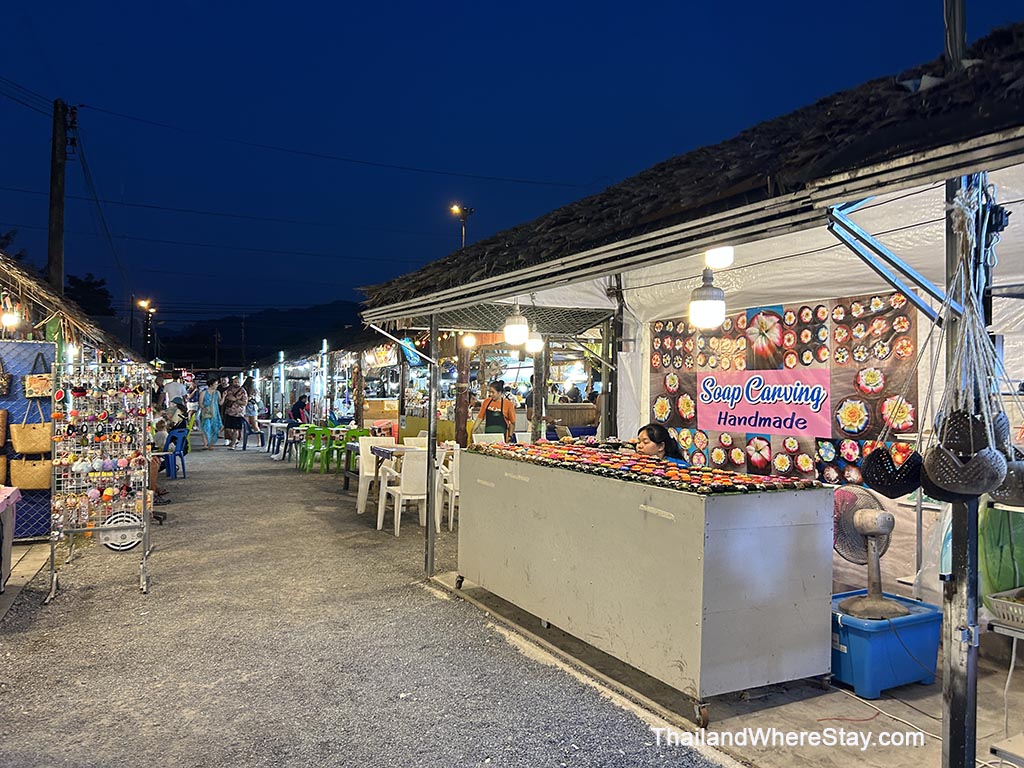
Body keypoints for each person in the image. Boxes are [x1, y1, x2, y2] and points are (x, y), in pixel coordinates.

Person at [222, 376, 248, 449]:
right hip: (229, 411)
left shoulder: (243, 391)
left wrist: (235, 400)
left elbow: (245, 403)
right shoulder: (229, 390)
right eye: (235, 382)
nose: (236, 383)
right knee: (227, 428)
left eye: (238, 382)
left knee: (236, 429)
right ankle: (234, 440)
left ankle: (233, 444)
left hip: (238, 413)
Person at [199, 376, 222, 450]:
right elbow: (200, 403)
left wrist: (224, 397)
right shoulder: (203, 393)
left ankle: (211, 444)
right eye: (216, 384)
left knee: (214, 429)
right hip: (206, 413)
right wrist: (203, 408)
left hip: (215, 413)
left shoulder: (217, 393)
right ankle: (206, 444)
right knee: (206, 428)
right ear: (211, 384)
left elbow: (220, 403)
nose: (217, 385)